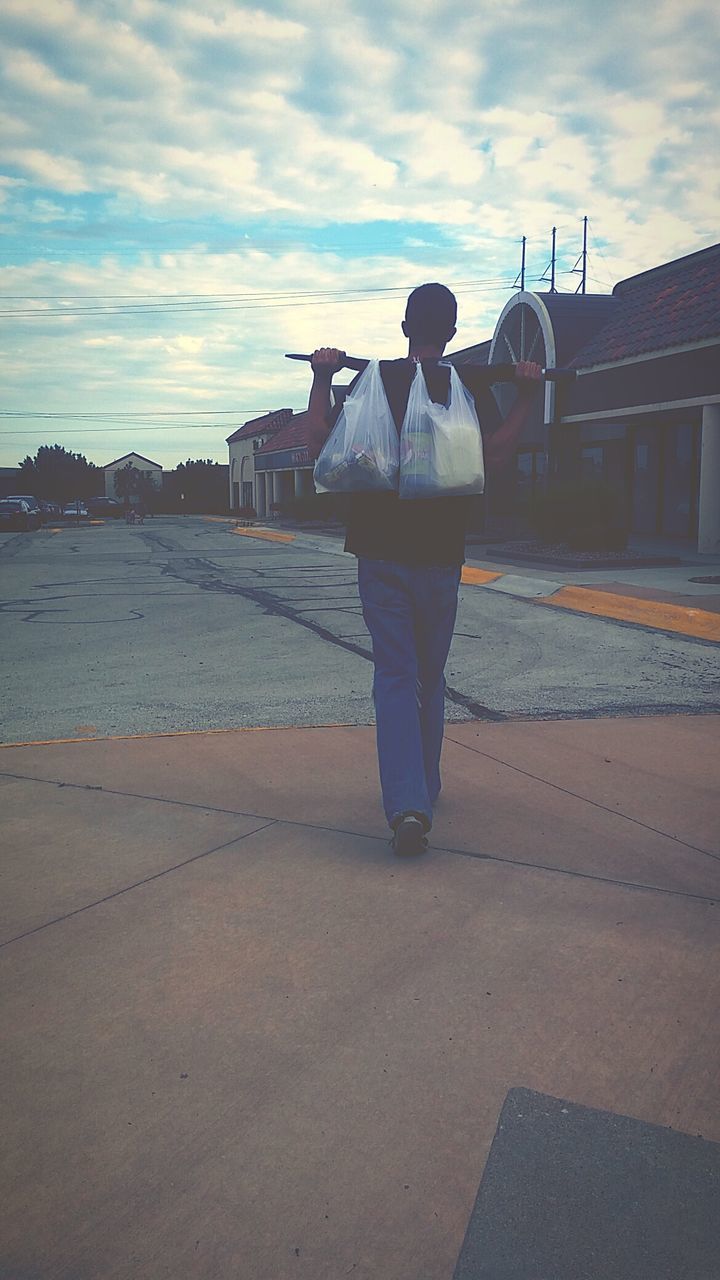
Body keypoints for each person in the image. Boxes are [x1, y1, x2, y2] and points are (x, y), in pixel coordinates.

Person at [305, 283, 542, 857]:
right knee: (429, 677)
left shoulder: (371, 382)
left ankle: (409, 802)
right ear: (454, 332)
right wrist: (528, 395)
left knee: (394, 674)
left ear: (405, 324)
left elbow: (319, 446)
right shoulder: (462, 387)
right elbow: (497, 456)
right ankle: (423, 788)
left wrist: (320, 376)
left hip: (379, 552)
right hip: (441, 557)